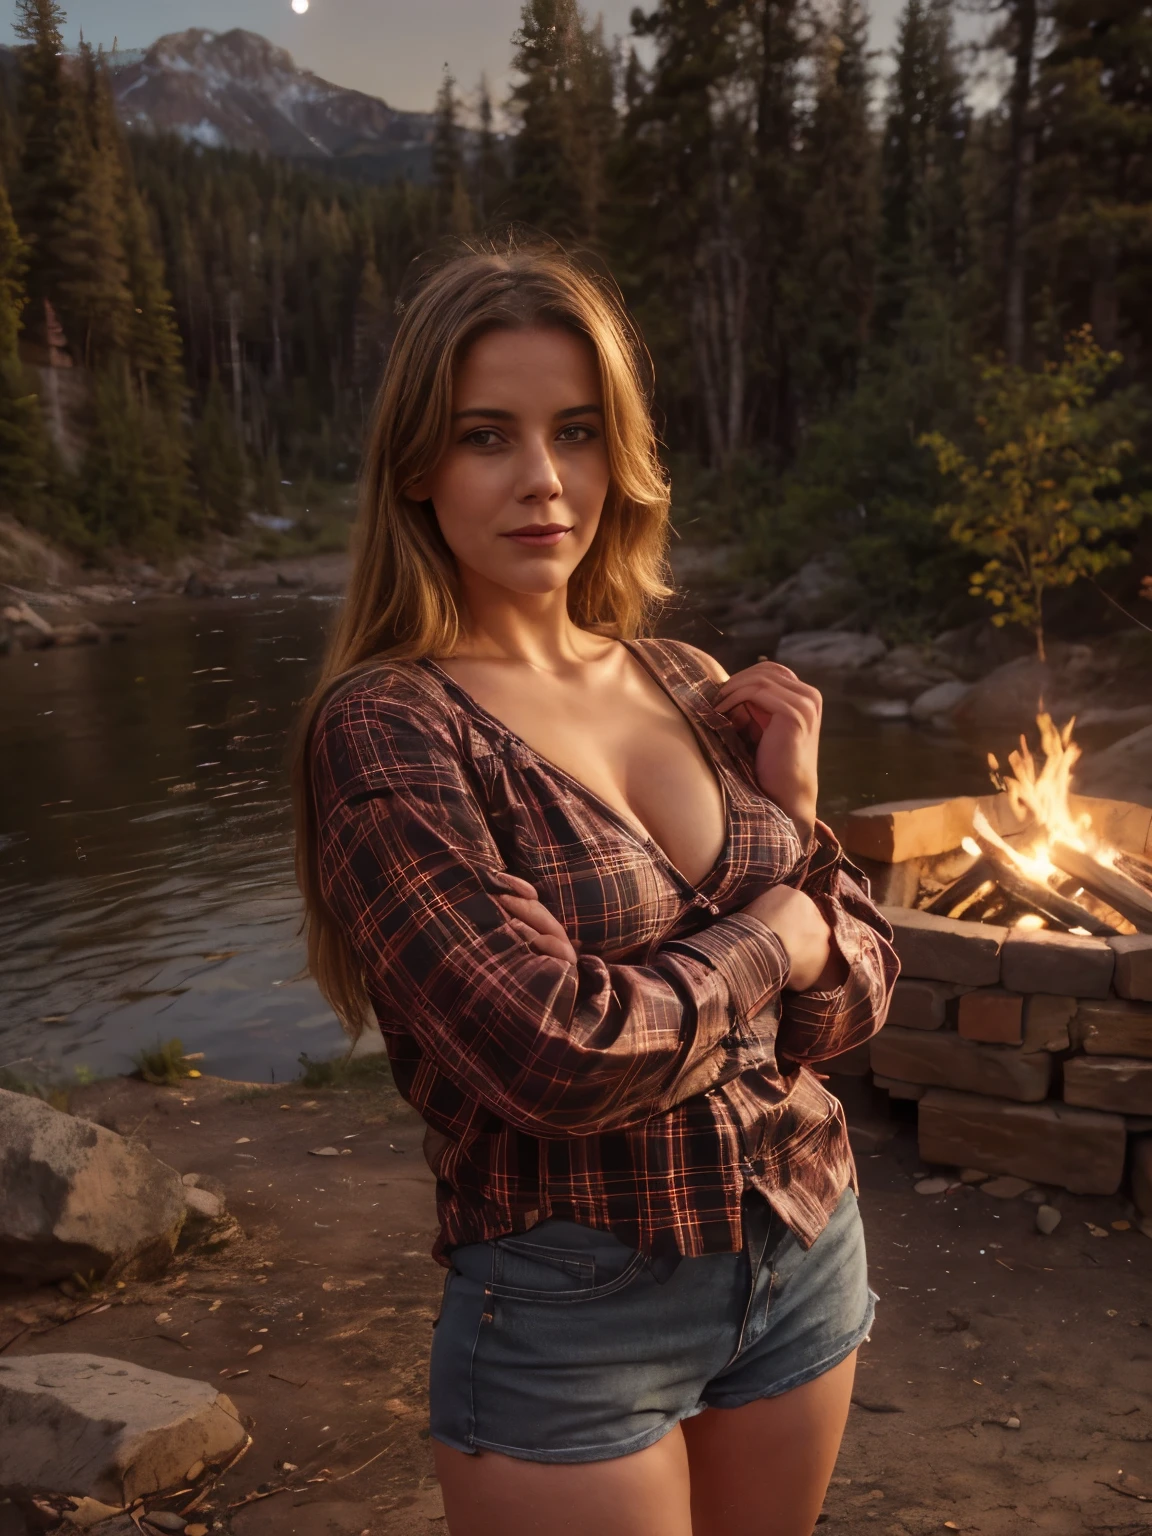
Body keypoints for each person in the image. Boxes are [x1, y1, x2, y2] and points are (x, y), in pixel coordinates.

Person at [294, 241, 899, 1536]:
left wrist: (794, 821)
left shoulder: (684, 676)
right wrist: (777, 941)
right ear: (416, 465)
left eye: (576, 430)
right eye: (486, 436)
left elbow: (857, 1002)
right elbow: (550, 1052)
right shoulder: (393, 729)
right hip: (574, 1311)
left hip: (803, 1242)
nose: (544, 480)